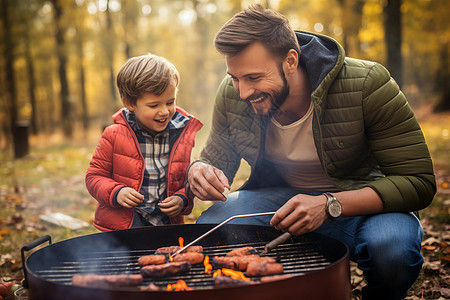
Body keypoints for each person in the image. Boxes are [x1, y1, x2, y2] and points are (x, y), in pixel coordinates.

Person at [187, 5, 435, 300]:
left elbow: (418, 181)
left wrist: (329, 204)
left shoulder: (367, 84)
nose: (242, 91)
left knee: (392, 252)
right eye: (236, 77)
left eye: (253, 77)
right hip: (278, 205)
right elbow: (216, 160)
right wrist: (200, 169)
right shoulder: (231, 93)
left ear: (291, 61)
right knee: (211, 228)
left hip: (363, 206)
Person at [86, 53, 202, 231]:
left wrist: (182, 199)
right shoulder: (113, 135)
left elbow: (187, 181)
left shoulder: (182, 136)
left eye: (170, 102)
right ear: (130, 103)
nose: (164, 111)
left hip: (166, 225)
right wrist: (116, 193)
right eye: (154, 105)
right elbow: (94, 177)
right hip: (125, 227)